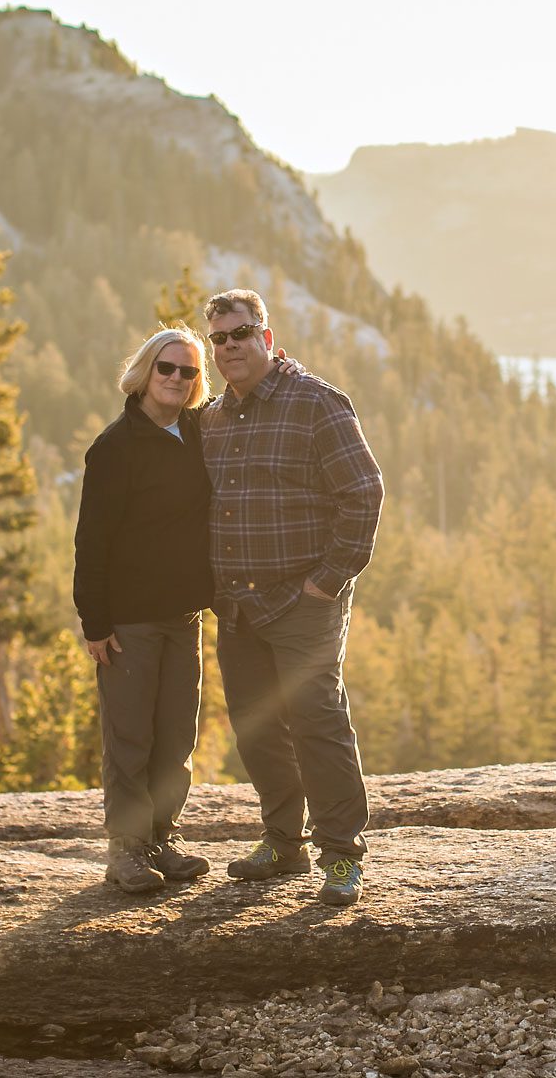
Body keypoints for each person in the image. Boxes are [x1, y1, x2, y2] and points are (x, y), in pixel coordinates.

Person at [200, 289, 385, 908]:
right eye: (219, 338)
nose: (229, 347)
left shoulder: (317, 403)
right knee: (256, 731)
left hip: (303, 601)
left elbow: (364, 492)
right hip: (237, 607)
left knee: (317, 721)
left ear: (267, 339)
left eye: (241, 333)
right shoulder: (215, 418)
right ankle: (283, 841)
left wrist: (329, 580)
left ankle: (340, 855)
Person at [72, 327, 217, 894]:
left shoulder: (199, 435)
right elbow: (92, 540)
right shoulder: (115, 447)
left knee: (176, 736)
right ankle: (126, 851)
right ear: (144, 372)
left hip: (184, 616)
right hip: (129, 619)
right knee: (130, 736)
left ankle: (162, 838)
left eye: (187, 372)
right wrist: (95, 623)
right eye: (167, 369)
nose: (177, 379)